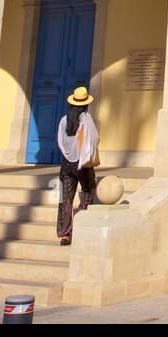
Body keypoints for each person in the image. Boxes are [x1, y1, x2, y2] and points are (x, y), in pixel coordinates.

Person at [56, 85, 99, 245]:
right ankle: (81, 219)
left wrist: (69, 155)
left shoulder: (64, 120)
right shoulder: (86, 119)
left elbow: (61, 142)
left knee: (65, 198)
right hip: (82, 164)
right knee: (88, 191)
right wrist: (83, 157)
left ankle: (65, 234)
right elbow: (93, 140)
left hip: (66, 164)